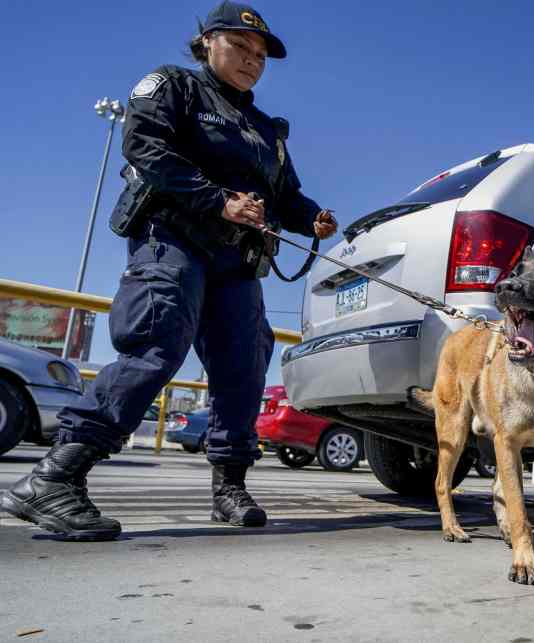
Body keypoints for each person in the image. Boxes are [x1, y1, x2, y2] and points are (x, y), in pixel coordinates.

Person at [0, 1, 337, 541]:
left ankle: (229, 487)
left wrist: (311, 218)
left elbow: (286, 194)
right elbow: (145, 149)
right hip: (174, 241)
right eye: (240, 47)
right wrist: (219, 200)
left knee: (244, 366)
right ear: (207, 42)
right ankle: (56, 477)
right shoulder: (174, 86)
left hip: (238, 261)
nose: (252, 60)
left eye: (260, 55)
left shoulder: (264, 128)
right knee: (155, 347)